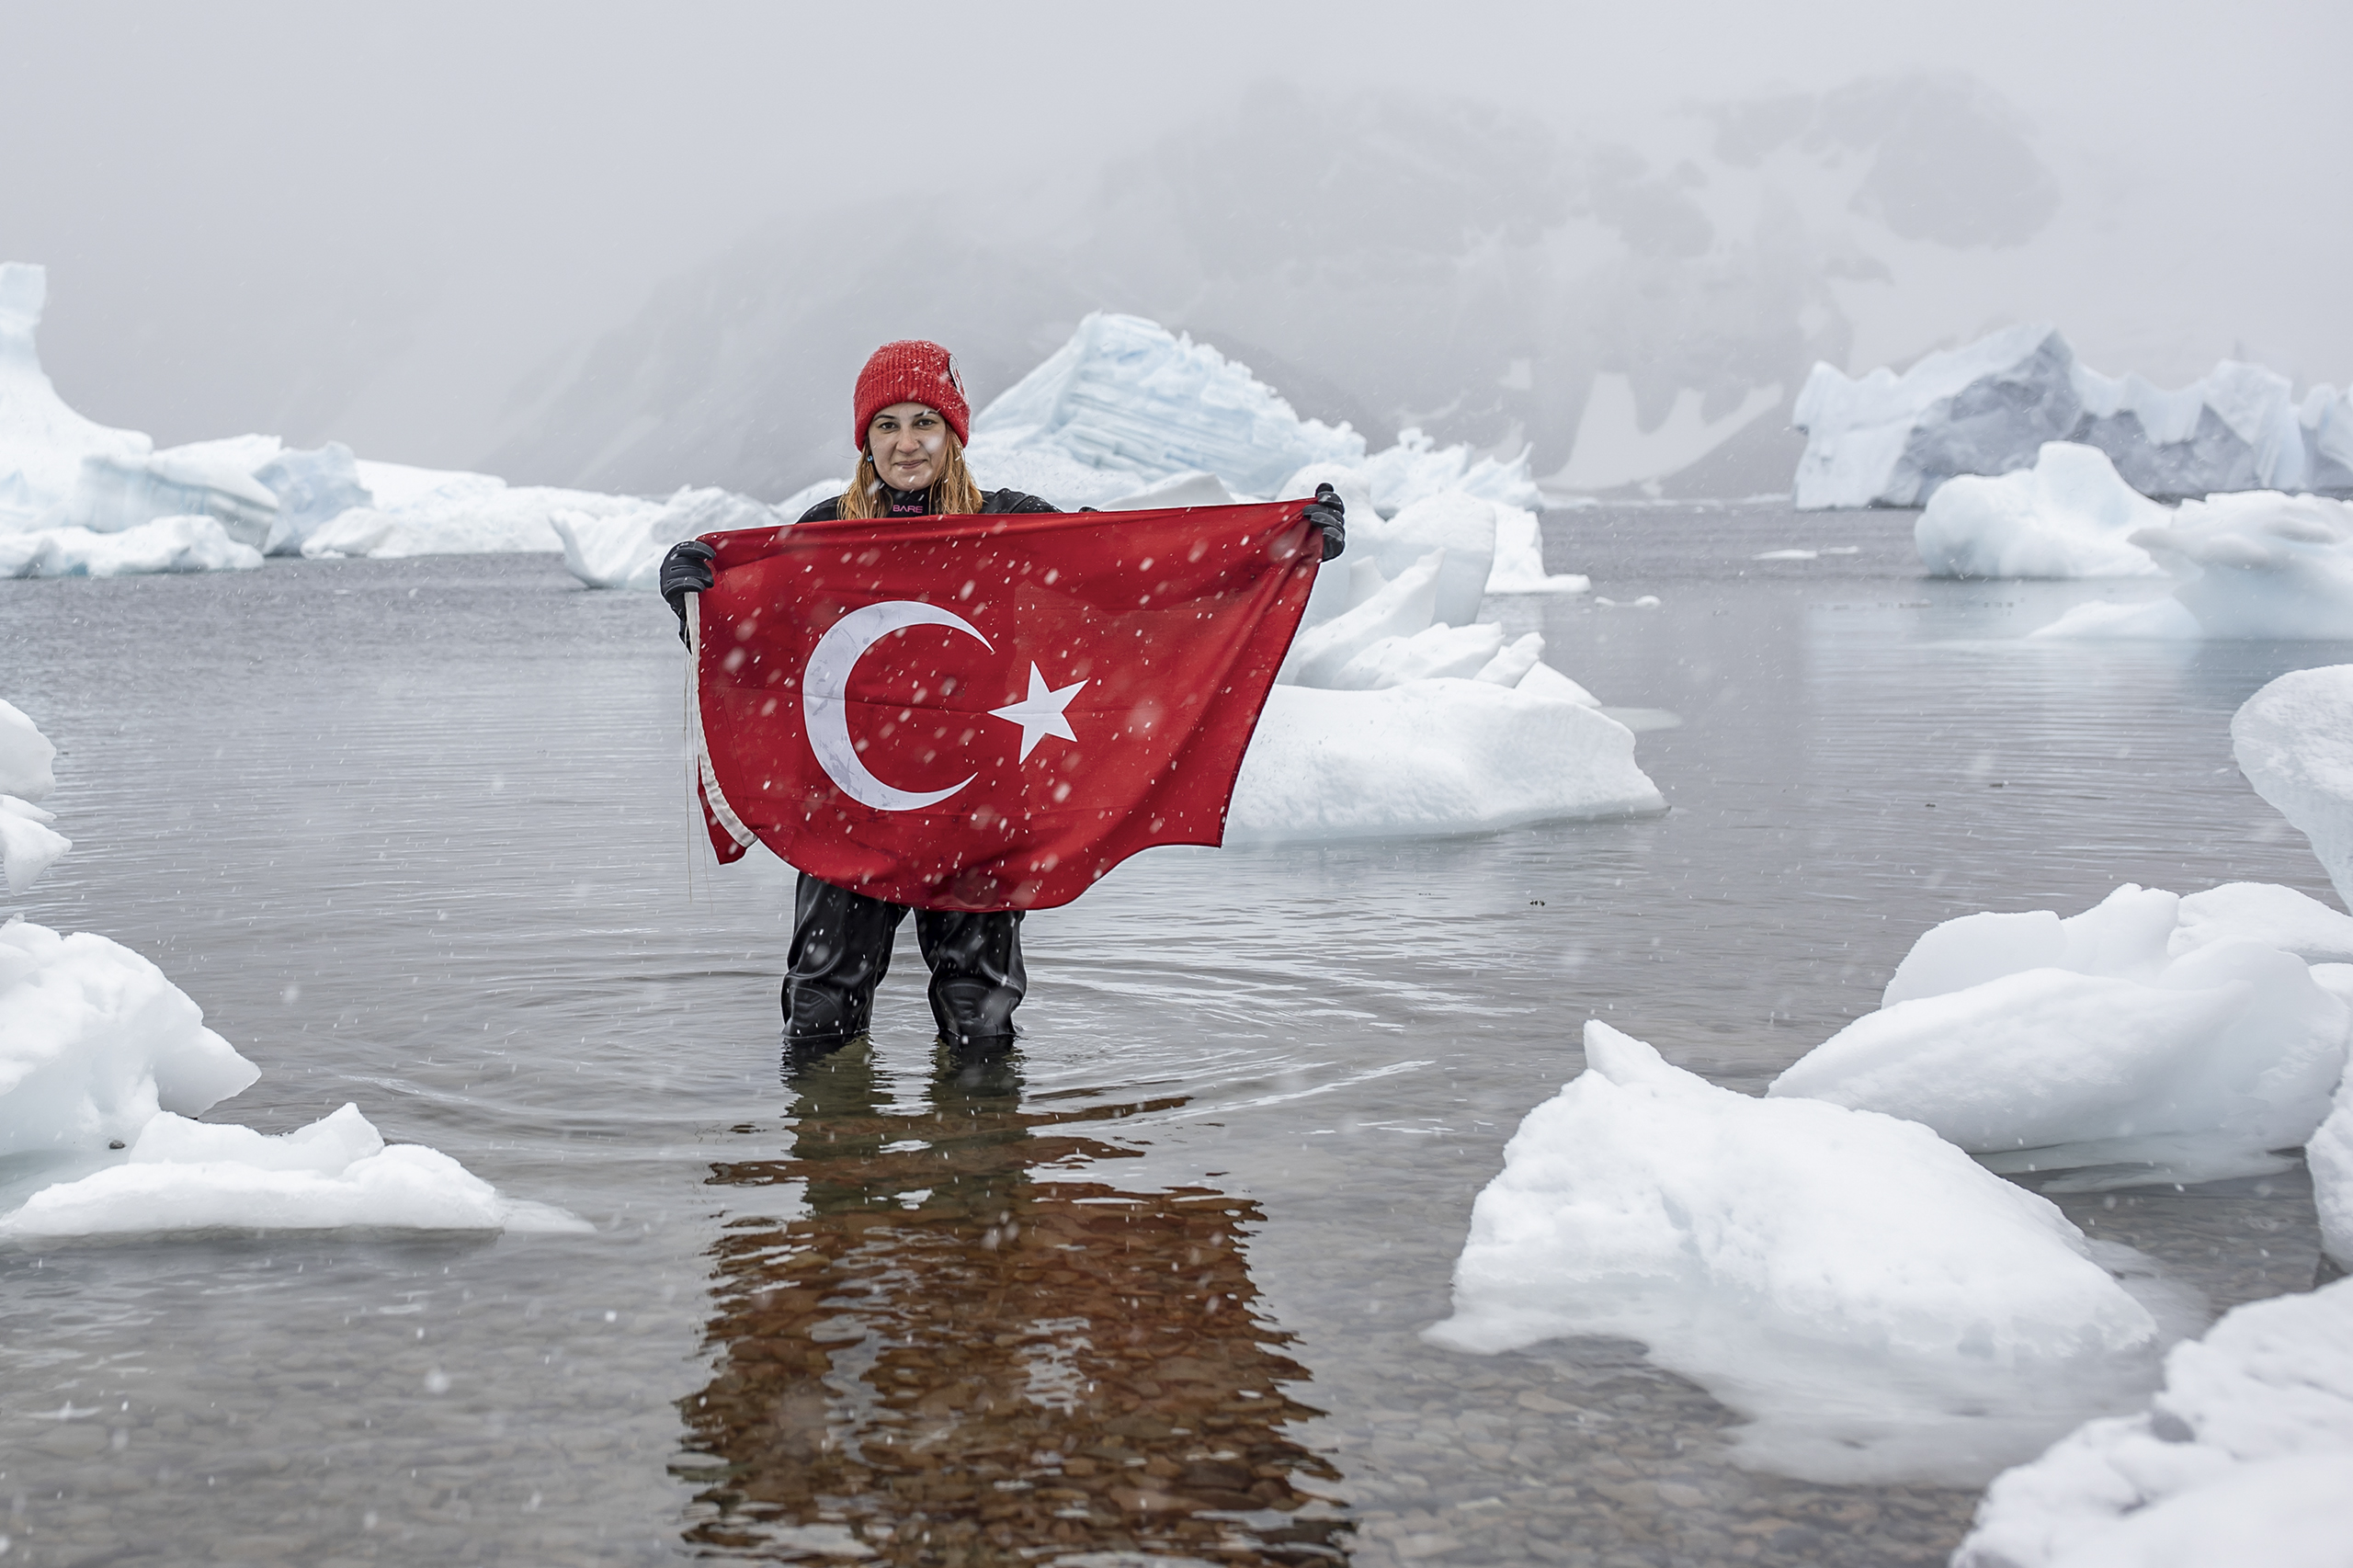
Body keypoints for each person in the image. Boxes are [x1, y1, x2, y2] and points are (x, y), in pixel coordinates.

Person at [662, 339, 1345, 1062]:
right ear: (864, 439)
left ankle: (981, 1160)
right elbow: (759, 657)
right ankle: (837, 1156)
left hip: (977, 810)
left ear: (953, 433)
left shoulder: (1015, 526)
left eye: (923, 421)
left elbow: (1134, 578)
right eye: (886, 424)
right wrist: (695, 599)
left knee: (977, 1021)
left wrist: (1283, 547)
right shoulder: (824, 533)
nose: (905, 442)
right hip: (853, 807)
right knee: (821, 1010)